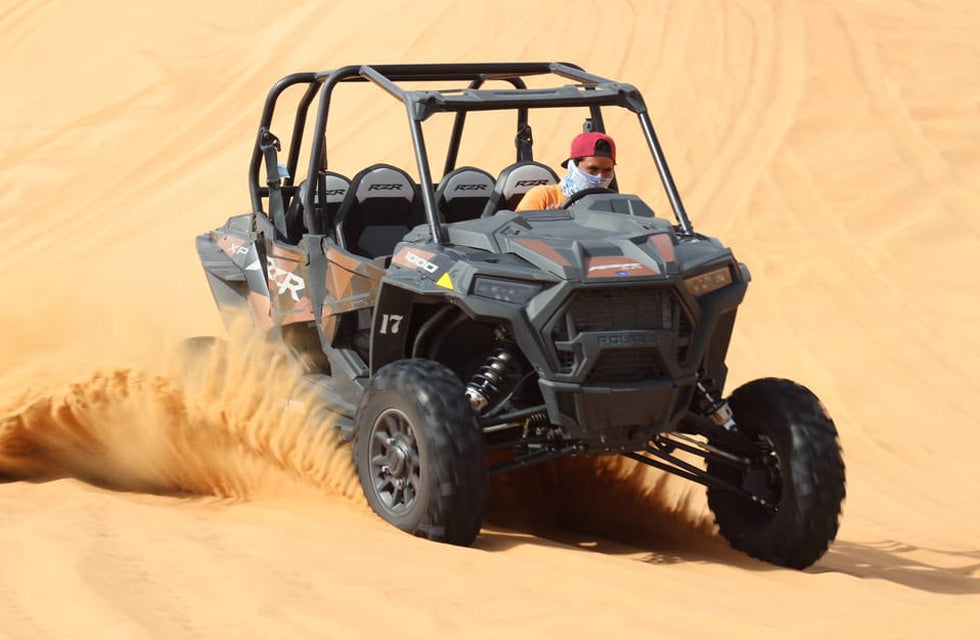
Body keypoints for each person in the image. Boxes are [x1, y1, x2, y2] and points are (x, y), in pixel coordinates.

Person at [516, 131, 616, 211]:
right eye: (593, 169)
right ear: (573, 167)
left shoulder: (614, 205)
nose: (600, 176)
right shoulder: (544, 196)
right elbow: (517, 234)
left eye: (607, 170)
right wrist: (546, 225)